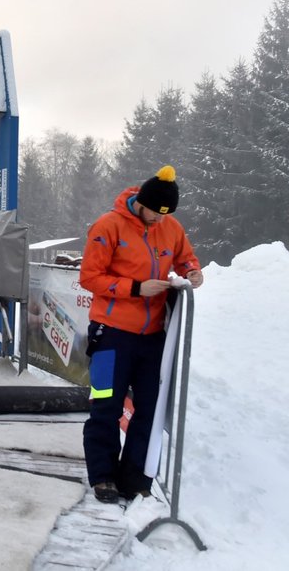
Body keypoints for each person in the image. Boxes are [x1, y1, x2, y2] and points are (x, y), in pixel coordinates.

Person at [78, 165, 203, 503]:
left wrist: (192, 271)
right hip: (112, 333)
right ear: (140, 203)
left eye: (165, 215)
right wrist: (136, 288)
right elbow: (89, 277)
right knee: (107, 405)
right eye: (154, 214)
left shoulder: (171, 227)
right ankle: (103, 476)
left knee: (149, 409)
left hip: (152, 336)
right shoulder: (108, 226)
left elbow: (185, 257)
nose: (158, 221)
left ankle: (135, 478)